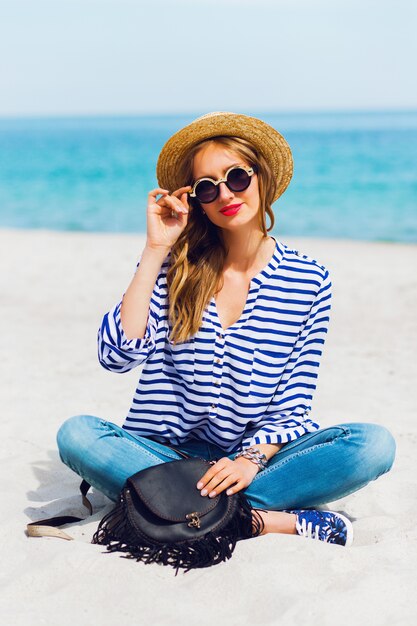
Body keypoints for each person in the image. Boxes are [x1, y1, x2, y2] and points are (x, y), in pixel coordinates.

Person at [57, 111, 396, 547]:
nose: (225, 194)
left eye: (236, 177)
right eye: (206, 187)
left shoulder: (310, 280)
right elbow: (116, 355)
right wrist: (156, 248)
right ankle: (261, 521)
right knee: (77, 435)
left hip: (253, 462)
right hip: (165, 456)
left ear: (261, 178)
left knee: (373, 445)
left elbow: (293, 402)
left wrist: (249, 462)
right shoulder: (175, 269)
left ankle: (172, 509)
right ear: (195, 200)